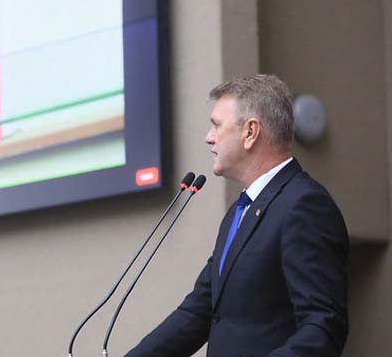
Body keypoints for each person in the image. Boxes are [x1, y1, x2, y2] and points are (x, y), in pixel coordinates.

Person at [127, 74, 348, 356]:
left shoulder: (304, 204)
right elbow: (198, 312)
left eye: (216, 125)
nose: (208, 137)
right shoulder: (237, 213)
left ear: (250, 132)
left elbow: (323, 327)